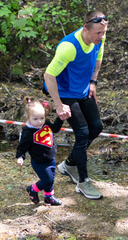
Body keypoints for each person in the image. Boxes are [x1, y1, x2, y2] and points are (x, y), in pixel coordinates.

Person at [43, 11, 108, 200]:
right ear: (85, 28)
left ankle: (69, 164)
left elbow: (99, 56)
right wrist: (58, 104)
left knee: (96, 128)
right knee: (82, 133)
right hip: (64, 92)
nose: (102, 36)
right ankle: (83, 181)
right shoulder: (69, 47)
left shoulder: (99, 37)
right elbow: (49, 75)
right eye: (98, 33)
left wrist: (93, 82)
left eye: (104, 32)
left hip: (81, 90)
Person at [16, 96, 65, 206]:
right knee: (47, 180)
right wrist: (20, 156)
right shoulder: (28, 132)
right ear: (28, 118)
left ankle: (49, 197)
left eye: (41, 118)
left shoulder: (46, 123)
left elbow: (55, 129)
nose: (39, 122)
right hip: (39, 162)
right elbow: (22, 146)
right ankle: (32, 189)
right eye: (35, 119)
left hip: (51, 158)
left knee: (51, 179)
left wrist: (61, 118)